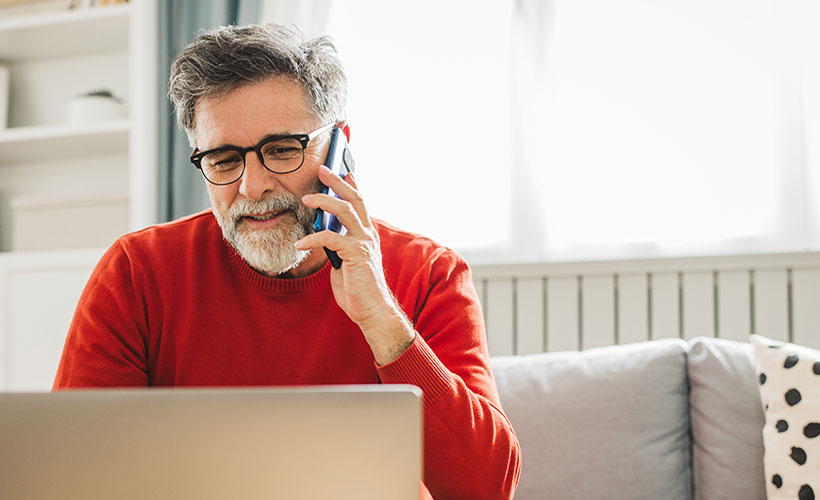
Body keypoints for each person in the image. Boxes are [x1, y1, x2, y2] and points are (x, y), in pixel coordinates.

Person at [53, 23, 520, 499]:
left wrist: (382, 319)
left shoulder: (429, 273)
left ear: (340, 147)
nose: (253, 187)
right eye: (223, 160)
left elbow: (485, 488)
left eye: (281, 150)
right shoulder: (136, 272)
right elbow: (68, 476)